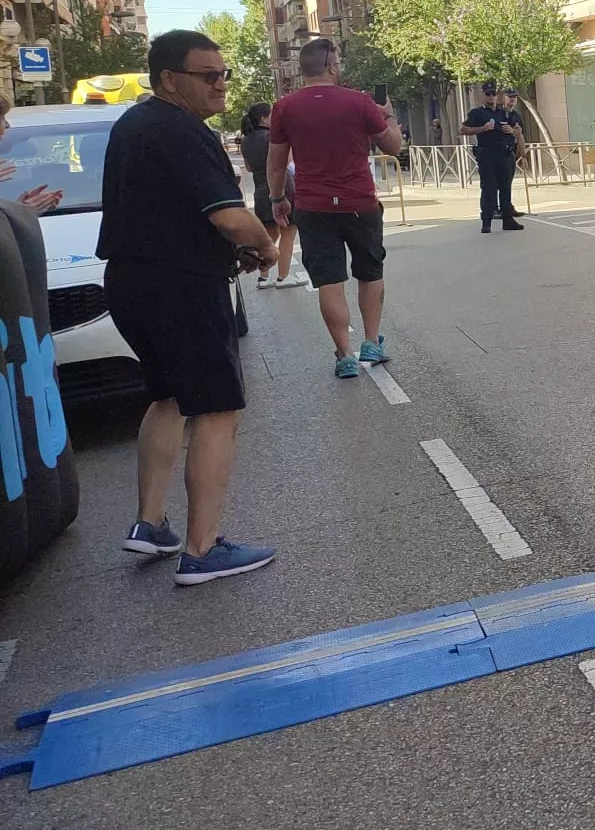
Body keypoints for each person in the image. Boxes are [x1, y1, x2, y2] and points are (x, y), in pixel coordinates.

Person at [101, 30, 281, 584]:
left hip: (130, 280)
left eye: (224, 74)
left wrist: (232, 248)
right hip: (180, 287)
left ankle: (150, 524)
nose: (221, 84)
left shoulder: (132, 124)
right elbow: (228, 215)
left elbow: (171, 212)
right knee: (218, 408)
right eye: (209, 76)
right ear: (169, 80)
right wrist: (267, 244)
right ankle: (202, 550)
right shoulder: (182, 131)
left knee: (168, 396)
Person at [268, 36, 403, 380]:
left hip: (313, 207)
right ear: (331, 65)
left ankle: (344, 355)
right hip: (360, 203)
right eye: (338, 60)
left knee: (329, 281)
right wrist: (388, 116)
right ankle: (371, 342)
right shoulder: (359, 103)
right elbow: (393, 147)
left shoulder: (284, 108)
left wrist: (277, 198)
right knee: (370, 272)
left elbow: (276, 161)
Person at [238, 103, 306, 289]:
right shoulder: (272, 136)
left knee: (269, 234)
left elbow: (249, 167)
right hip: (282, 185)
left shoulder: (246, 141)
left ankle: (263, 276)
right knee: (288, 233)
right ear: (263, 118)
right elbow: (287, 159)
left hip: (260, 189)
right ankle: (283, 277)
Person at [461, 83, 524, 232]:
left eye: (493, 94)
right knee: (489, 188)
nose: (491, 97)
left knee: (505, 188)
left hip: (505, 154)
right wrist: (482, 128)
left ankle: (508, 219)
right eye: (488, 94)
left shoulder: (504, 113)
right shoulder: (477, 113)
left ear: (497, 96)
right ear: (483, 96)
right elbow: (463, 129)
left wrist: (513, 131)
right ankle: (486, 221)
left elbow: (518, 129)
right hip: (487, 154)